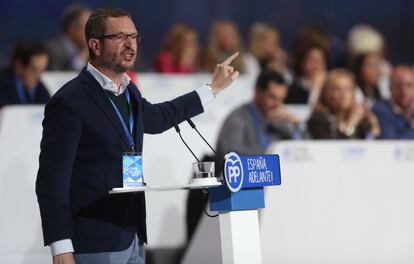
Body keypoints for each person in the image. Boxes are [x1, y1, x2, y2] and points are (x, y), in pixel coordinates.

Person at [35, 7, 239, 264]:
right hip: (94, 239)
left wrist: (213, 88)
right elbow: (51, 181)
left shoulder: (128, 93)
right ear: (95, 45)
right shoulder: (69, 101)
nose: (130, 44)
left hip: (132, 235)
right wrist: (61, 245)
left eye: (134, 36)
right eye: (120, 37)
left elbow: (159, 117)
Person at [216, 70, 300, 173]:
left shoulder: (281, 120)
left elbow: (301, 150)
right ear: (258, 91)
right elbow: (231, 156)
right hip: (242, 185)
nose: (277, 104)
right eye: (272, 97)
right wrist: (273, 154)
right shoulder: (237, 118)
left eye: (281, 99)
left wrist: (298, 125)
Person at [307, 69, 380, 139]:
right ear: (326, 93)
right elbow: (331, 148)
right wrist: (351, 125)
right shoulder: (318, 119)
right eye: (337, 89)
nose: (343, 94)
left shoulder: (360, 119)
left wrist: (374, 126)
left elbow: (377, 146)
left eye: (348, 89)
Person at [0, 41, 50, 108]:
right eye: (34, 70)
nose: (38, 76)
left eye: (42, 70)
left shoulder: (40, 87)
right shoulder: (2, 84)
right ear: (18, 66)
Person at [46, 4, 92, 71]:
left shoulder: (93, 53)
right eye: (88, 28)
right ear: (72, 29)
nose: (92, 32)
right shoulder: (53, 51)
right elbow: (59, 79)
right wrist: (81, 58)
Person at [373, 66, 414, 139]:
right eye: (398, 85)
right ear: (390, 87)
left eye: (409, 85)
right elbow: (392, 141)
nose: (404, 91)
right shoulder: (381, 110)